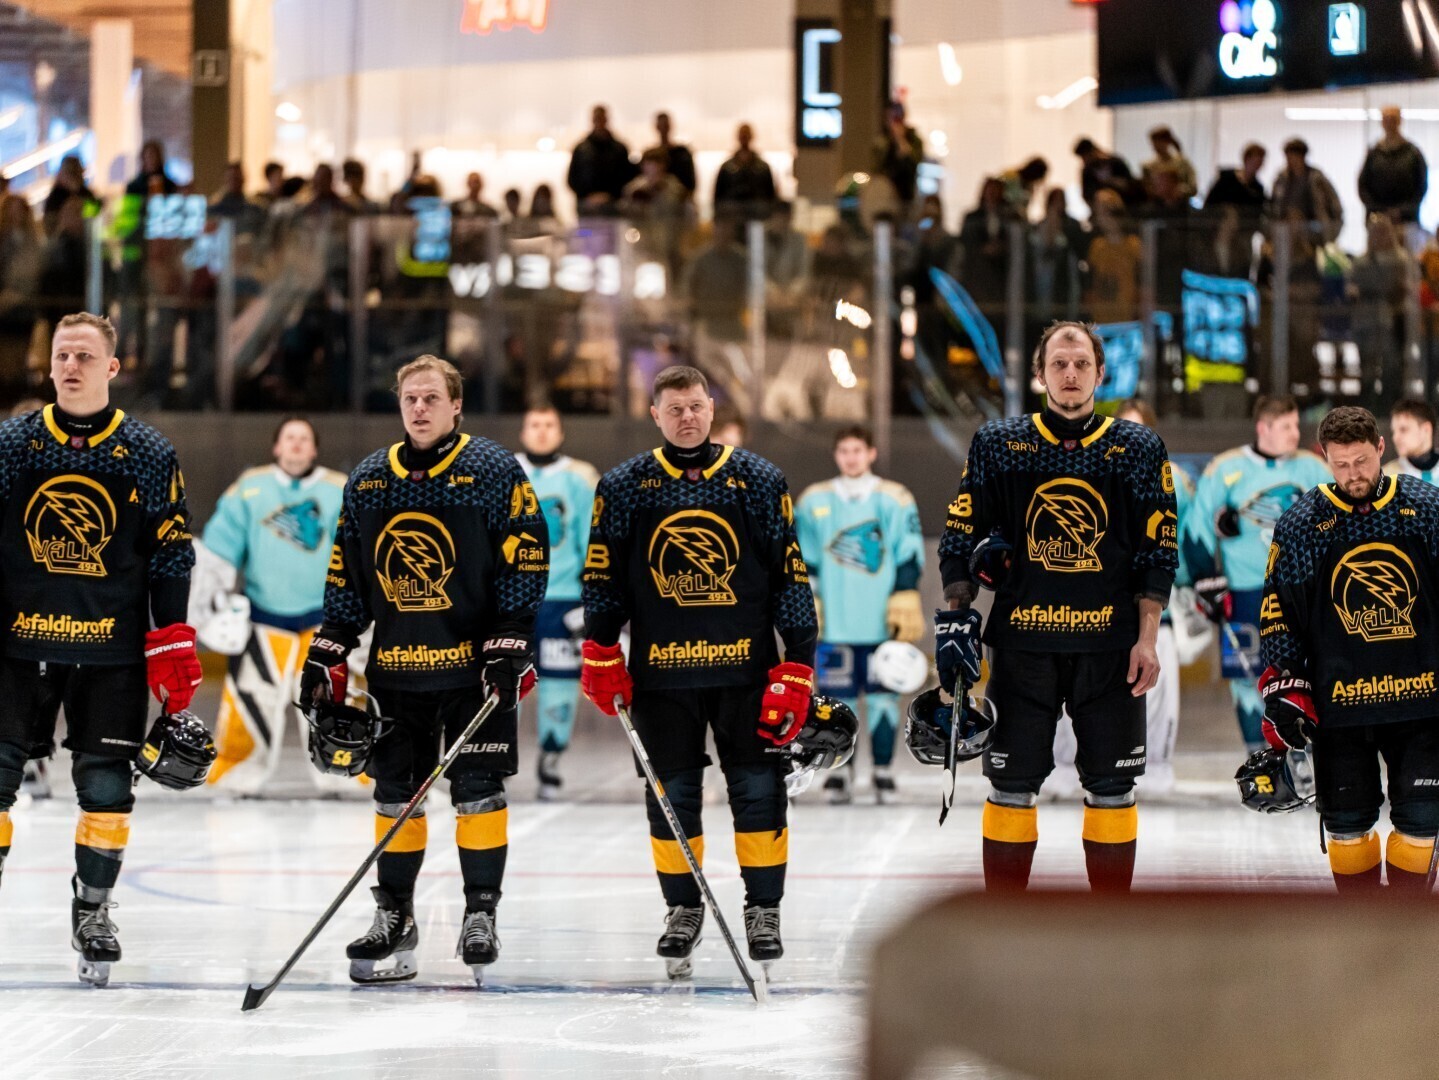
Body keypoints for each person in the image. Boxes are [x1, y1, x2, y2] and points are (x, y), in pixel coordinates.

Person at [307, 354, 549, 984]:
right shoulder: (368, 479)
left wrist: (511, 635)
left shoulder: (492, 468)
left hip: (475, 673)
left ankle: (480, 913)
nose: (419, 408)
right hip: (395, 672)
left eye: (431, 398)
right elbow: (347, 570)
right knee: (395, 797)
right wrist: (333, 642)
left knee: (478, 792)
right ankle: (395, 915)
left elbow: (526, 553)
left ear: (455, 405)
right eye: (410, 398)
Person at [580, 365, 816, 974]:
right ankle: (683, 909)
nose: (686, 417)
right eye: (674, 409)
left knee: (758, 791)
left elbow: (790, 575)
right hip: (661, 677)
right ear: (655, 415)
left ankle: (763, 909)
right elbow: (603, 575)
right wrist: (600, 646)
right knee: (671, 797)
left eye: (695, 406)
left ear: (712, 408)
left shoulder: (759, 480)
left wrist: (798, 661)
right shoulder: (624, 485)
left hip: (746, 673)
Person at [937, 321, 1178, 892]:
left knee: (1113, 788)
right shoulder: (998, 443)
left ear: (1101, 372)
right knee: (1010, 786)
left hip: (1111, 650)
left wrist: (1148, 638)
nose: (1071, 374)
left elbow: (1159, 551)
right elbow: (959, 536)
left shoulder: (1138, 448)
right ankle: (1006, 919)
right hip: (1022, 647)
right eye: (1059, 365)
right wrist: (956, 619)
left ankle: (1109, 922)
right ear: (1040, 374)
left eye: (1082, 364)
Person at [0, 311, 200, 984]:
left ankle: (93, 912)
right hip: (17, 649)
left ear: (112, 367)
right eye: (62, 355)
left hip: (111, 652)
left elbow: (171, 553)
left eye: (85, 356)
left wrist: (171, 639)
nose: (71, 366)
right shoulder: (13, 443)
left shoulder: (146, 450)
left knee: (107, 788)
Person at [1259, 406, 1439, 892]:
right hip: (1338, 705)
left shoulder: (1427, 508)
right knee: (1346, 824)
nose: (1354, 474)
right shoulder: (1301, 523)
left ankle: (1403, 928)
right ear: (1325, 457)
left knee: (1422, 821)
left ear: (1381, 448)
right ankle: (1360, 929)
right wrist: (1283, 684)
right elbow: (1279, 610)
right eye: (1342, 465)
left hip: (1422, 702)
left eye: (1362, 461)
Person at [1049, 398, 1195, 798]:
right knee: (1077, 687)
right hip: (1097, 608)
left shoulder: (1175, 479)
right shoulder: (1091, 467)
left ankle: (1156, 766)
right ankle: (1067, 764)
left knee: (1154, 692)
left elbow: (1186, 540)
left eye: (1138, 428)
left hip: (1155, 609)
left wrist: (1190, 584)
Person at [195, 417, 349, 795]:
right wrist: (213, 600)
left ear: (314, 449)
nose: (296, 444)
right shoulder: (250, 488)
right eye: (289, 437)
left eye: (304, 438)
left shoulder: (340, 490)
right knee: (249, 701)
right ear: (276, 446)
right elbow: (219, 549)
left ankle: (349, 774)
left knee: (336, 701)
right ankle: (235, 776)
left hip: (324, 622)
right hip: (263, 618)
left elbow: (356, 554)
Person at [1182, 396, 1331, 754]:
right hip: (1245, 593)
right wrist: (1206, 579)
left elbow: (1340, 520)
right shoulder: (1225, 469)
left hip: (1301, 593)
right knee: (1246, 680)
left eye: (1296, 424)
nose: (1295, 433)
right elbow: (1195, 529)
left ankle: (1306, 754)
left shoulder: (1313, 468)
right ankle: (1260, 757)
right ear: (1264, 427)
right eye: (1287, 426)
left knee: (1306, 673)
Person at [795, 426, 924, 804]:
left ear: (870, 453)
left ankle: (883, 772)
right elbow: (805, 557)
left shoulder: (895, 498)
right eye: (844, 450)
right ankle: (839, 772)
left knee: (884, 701)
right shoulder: (813, 500)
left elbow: (908, 551)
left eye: (857, 450)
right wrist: (809, 600)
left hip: (881, 623)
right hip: (834, 625)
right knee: (836, 702)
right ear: (836, 455)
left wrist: (905, 592)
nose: (851, 457)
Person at [513, 405, 598, 799]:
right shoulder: (504, 471)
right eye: (535, 424)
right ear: (523, 431)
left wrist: (589, 599)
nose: (542, 431)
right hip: (512, 600)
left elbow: (591, 540)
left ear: (561, 432)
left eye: (550, 424)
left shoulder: (580, 478)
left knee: (560, 687)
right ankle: (497, 759)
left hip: (562, 601)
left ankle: (550, 758)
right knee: (503, 681)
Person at [1358, 106, 1428, 228]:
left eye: (1393, 119)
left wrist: (1403, 211)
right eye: (1386, 119)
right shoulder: (1374, 153)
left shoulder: (1412, 153)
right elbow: (1363, 185)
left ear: (1400, 121)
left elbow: (1421, 186)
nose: (1389, 124)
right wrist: (1378, 209)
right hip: (1378, 221)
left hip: (1407, 221)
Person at [1269, 138, 1344, 246]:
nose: (1290, 161)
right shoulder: (1282, 179)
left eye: (1293, 157)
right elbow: (1274, 205)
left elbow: (1334, 206)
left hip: (1312, 231)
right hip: (1286, 233)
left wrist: (1331, 230)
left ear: (1302, 157)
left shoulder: (1317, 179)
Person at [567, 105, 637, 217]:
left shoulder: (619, 149)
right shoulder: (581, 149)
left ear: (606, 119)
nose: (599, 122)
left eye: (601, 118)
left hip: (613, 204)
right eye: (597, 119)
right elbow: (573, 178)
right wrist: (588, 196)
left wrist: (609, 195)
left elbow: (626, 176)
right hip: (587, 205)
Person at [713, 123, 777, 220]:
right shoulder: (727, 168)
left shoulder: (763, 168)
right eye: (742, 134)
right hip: (732, 216)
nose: (744, 137)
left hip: (757, 215)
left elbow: (770, 195)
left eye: (746, 134)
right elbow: (718, 196)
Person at [871, 102, 925, 209]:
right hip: (885, 194)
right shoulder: (882, 142)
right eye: (890, 118)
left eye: (897, 118)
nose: (894, 123)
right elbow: (877, 168)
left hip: (907, 194)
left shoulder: (914, 140)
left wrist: (901, 139)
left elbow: (914, 161)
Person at [1204, 143, 1267, 224]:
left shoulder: (1257, 188)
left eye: (1260, 162)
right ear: (1246, 159)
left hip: (1245, 225)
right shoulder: (1227, 178)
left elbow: (1257, 212)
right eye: (1255, 161)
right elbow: (1211, 202)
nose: (1258, 165)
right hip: (1220, 221)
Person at [1074, 137, 1139, 211]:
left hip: (1125, 205)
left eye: (1085, 157)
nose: (1084, 161)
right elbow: (1087, 194)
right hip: (1100, 209)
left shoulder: (1117, 163)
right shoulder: (1087, 172)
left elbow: (1128, 184)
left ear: (1092, 152)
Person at [1385, 399, 1439, 484]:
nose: (1395, 437)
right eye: (1394, 431)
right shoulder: (1386, 478)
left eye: (1403, 429)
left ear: (1426, 430)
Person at [644, 111, 696, 197]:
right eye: (661, 126)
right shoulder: (650, 154)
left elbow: (689, 182)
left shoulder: (681, 153)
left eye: (665, 126)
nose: (663, 129)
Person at [1141, 126, 1197, 202]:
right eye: (1154, 143)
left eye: (1159, 142)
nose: (1156, 146)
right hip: (1157, 205)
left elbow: (1193, 187)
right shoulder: (1148, 166)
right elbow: (1146, 189)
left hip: (1180, 205)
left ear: (1167, 142)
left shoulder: (1182, 163)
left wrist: (1180, 190)